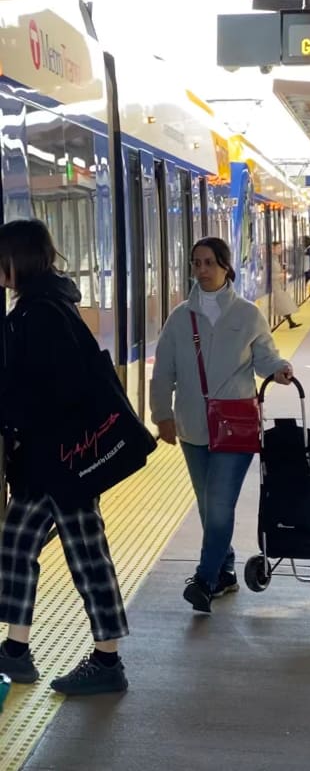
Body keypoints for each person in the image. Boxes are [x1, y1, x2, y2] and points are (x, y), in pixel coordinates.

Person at [0, 219, 129, 696]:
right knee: (15, 546)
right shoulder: (39, 307)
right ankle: (16, 650)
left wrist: (16, 417)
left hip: (61, 463)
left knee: (88, 557)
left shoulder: (44, 313)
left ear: (20, 258)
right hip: (44, 462)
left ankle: (108, 660)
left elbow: (58, 389)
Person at [150, 236, 293, 614]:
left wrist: (279, 370)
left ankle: (204, 579)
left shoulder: (247, 314)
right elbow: (164, 370)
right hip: (193, 428)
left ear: (226, 266)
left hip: (236, 426)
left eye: (209, 262)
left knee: (218, 505)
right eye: (196, 263)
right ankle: (226, 571)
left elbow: (265, 356)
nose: (201, 270)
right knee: (207, 505)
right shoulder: (180, 317)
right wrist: (161, 414)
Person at [271, 241, 302, 329]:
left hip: (278, 286)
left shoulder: (276, 259)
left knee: (284, 303)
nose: (281, 250)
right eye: (278, 248)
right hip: (274, 287)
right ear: (273, 249)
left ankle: (291, 322)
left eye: (281, 248)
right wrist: (280, 275)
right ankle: (291, 322)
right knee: (284, 303)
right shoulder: (270, 261)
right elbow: (268, 276)